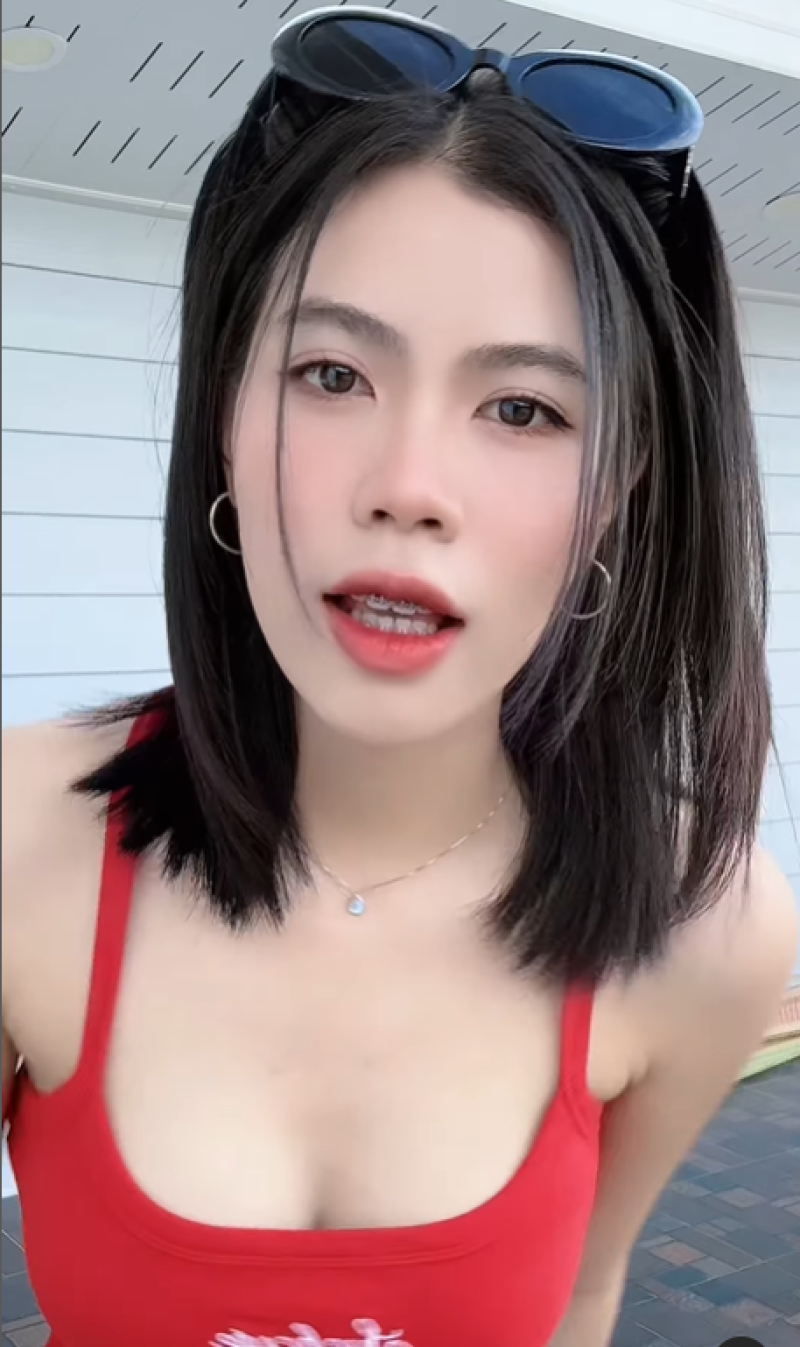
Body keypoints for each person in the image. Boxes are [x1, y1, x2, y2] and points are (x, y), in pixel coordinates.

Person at [2, 9, 796, 1347]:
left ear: (618, 489)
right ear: (225, 413)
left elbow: (583, 1298)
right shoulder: (17, 834)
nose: (409, 486)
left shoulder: (707, 924)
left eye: (524, 408)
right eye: (331, 373)